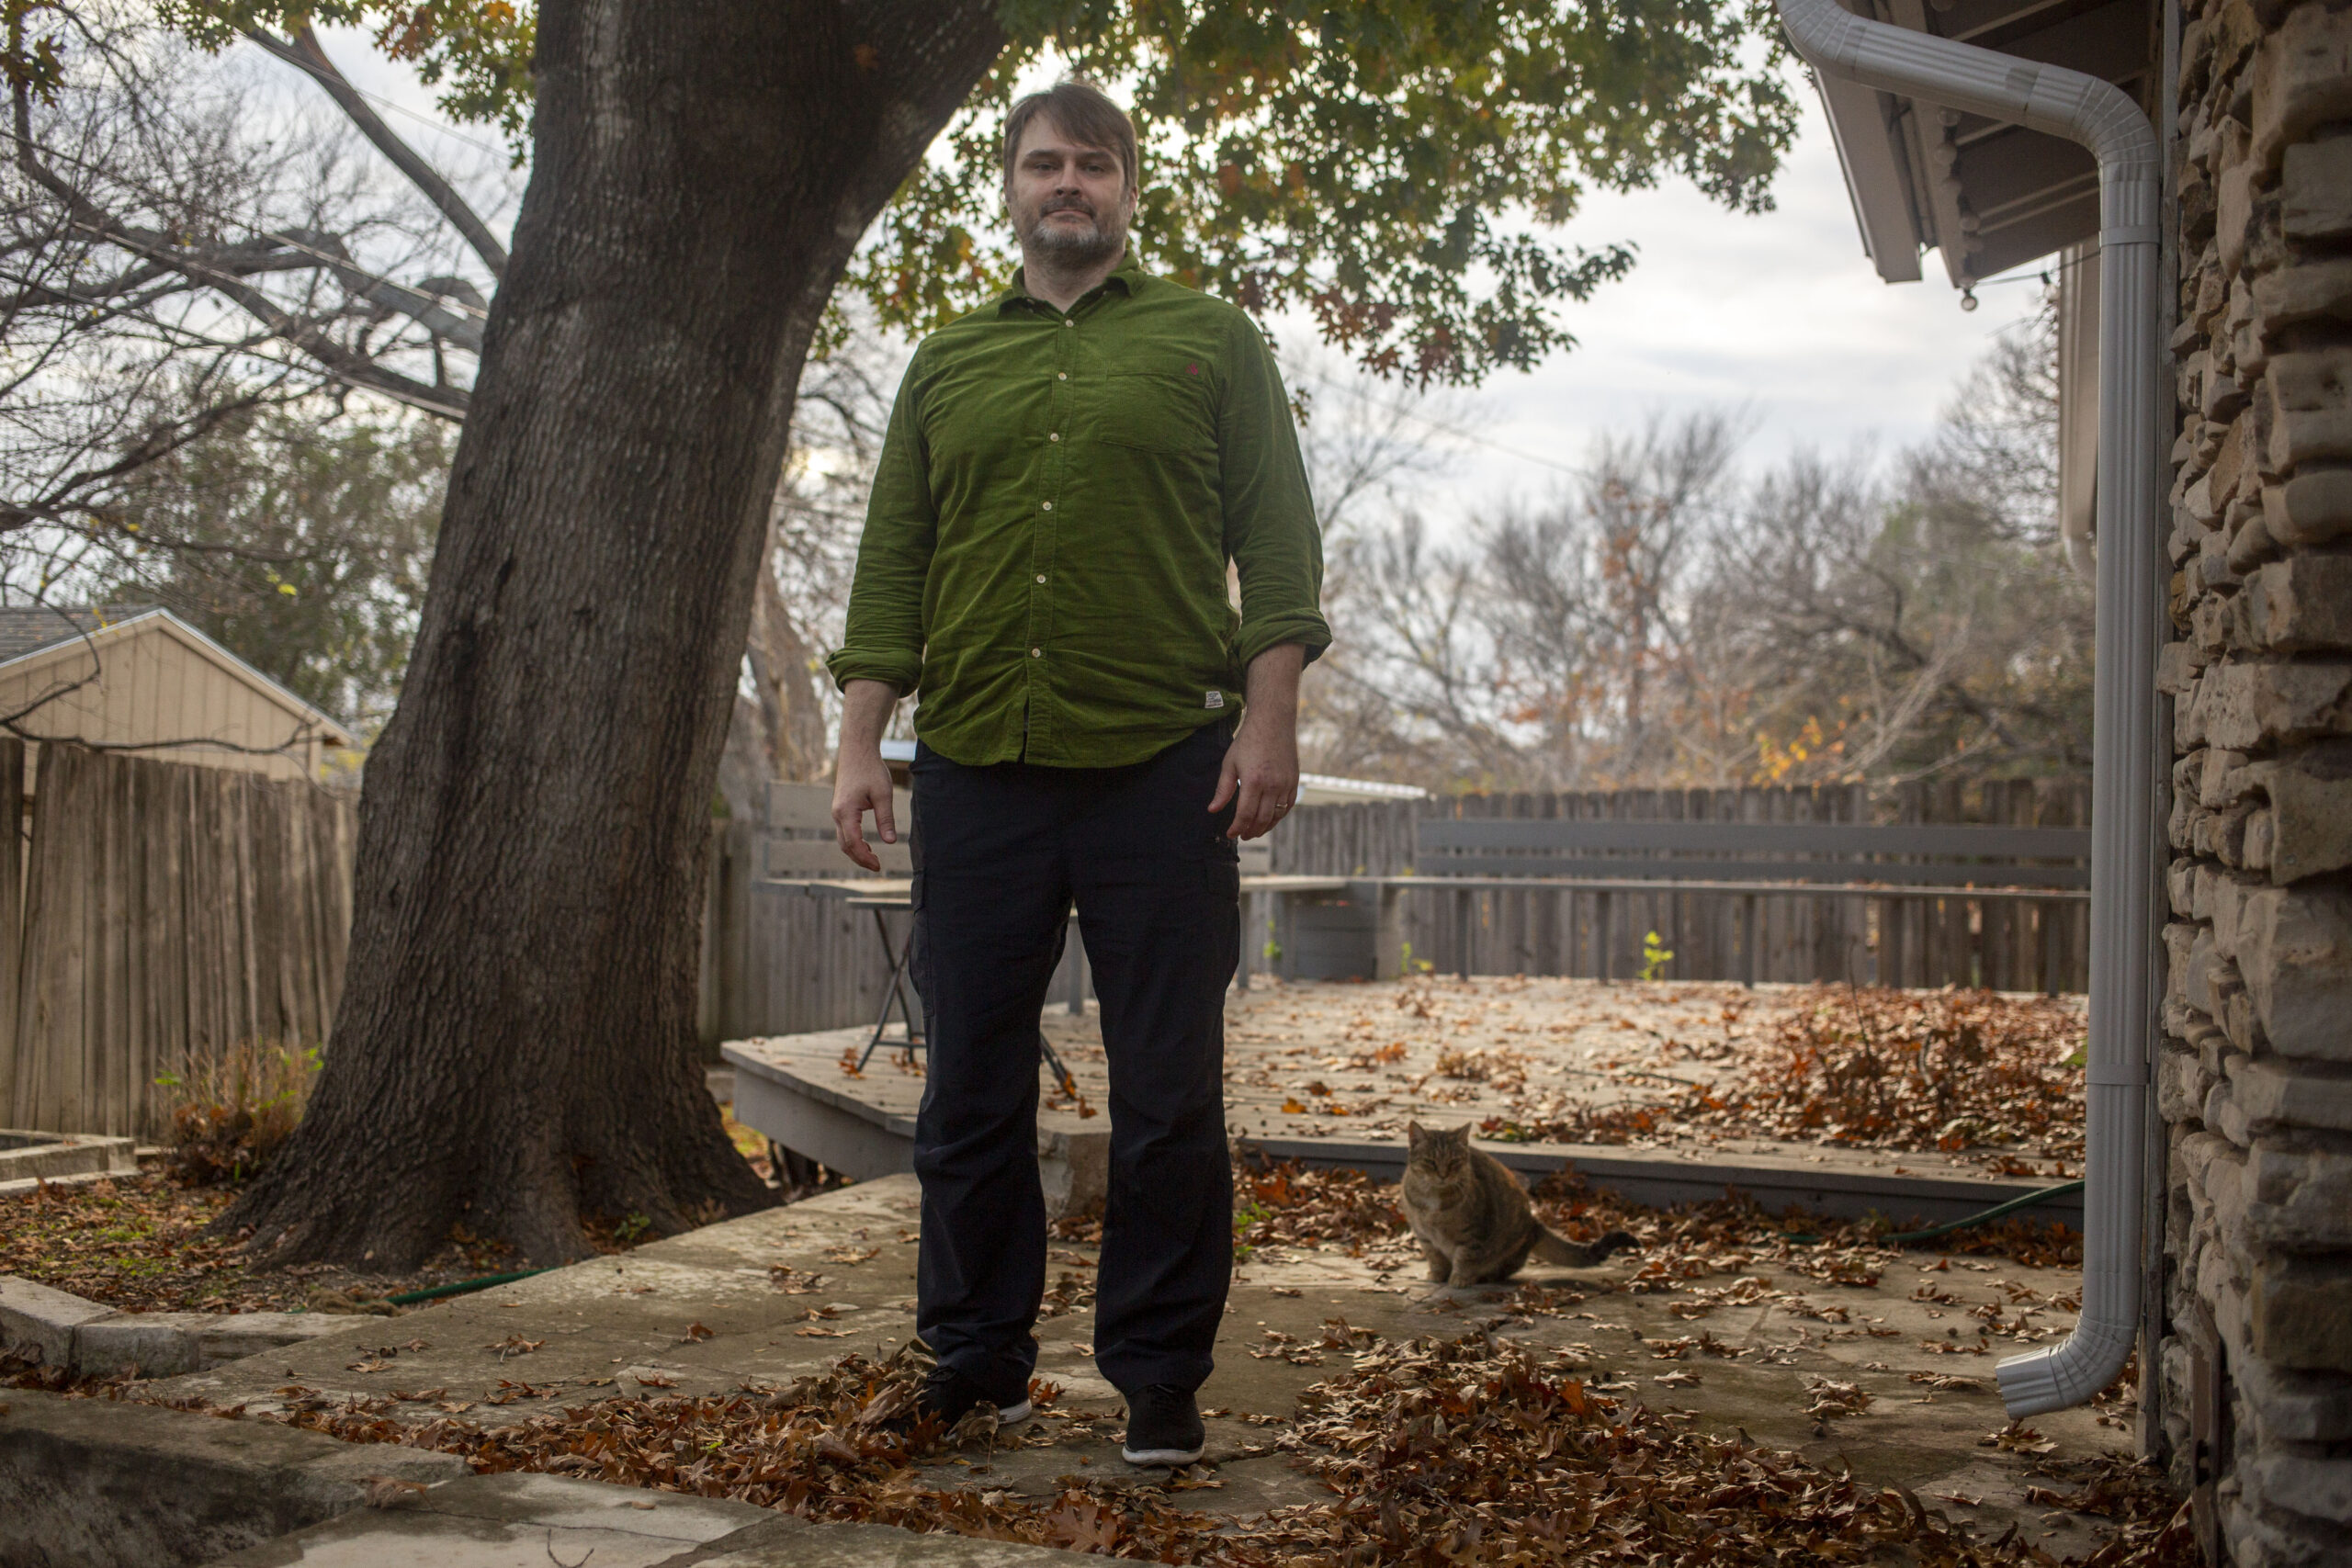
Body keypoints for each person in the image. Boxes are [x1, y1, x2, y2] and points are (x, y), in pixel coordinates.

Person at [825, 78, 1329, 1468]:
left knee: (1169, 1091)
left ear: (1126, 190)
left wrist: (1267, 719)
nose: (1069, 185)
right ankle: (972, 1357)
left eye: (1094, 166)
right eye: (1045, 164)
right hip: (977, 769)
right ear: (1009, 187)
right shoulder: (946, 363)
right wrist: (861, 740)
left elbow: (1279, 555)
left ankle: (1158, 1375)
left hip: (1167, 769)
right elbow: (893, 574)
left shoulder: (1211, 343)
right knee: (969, 1088)